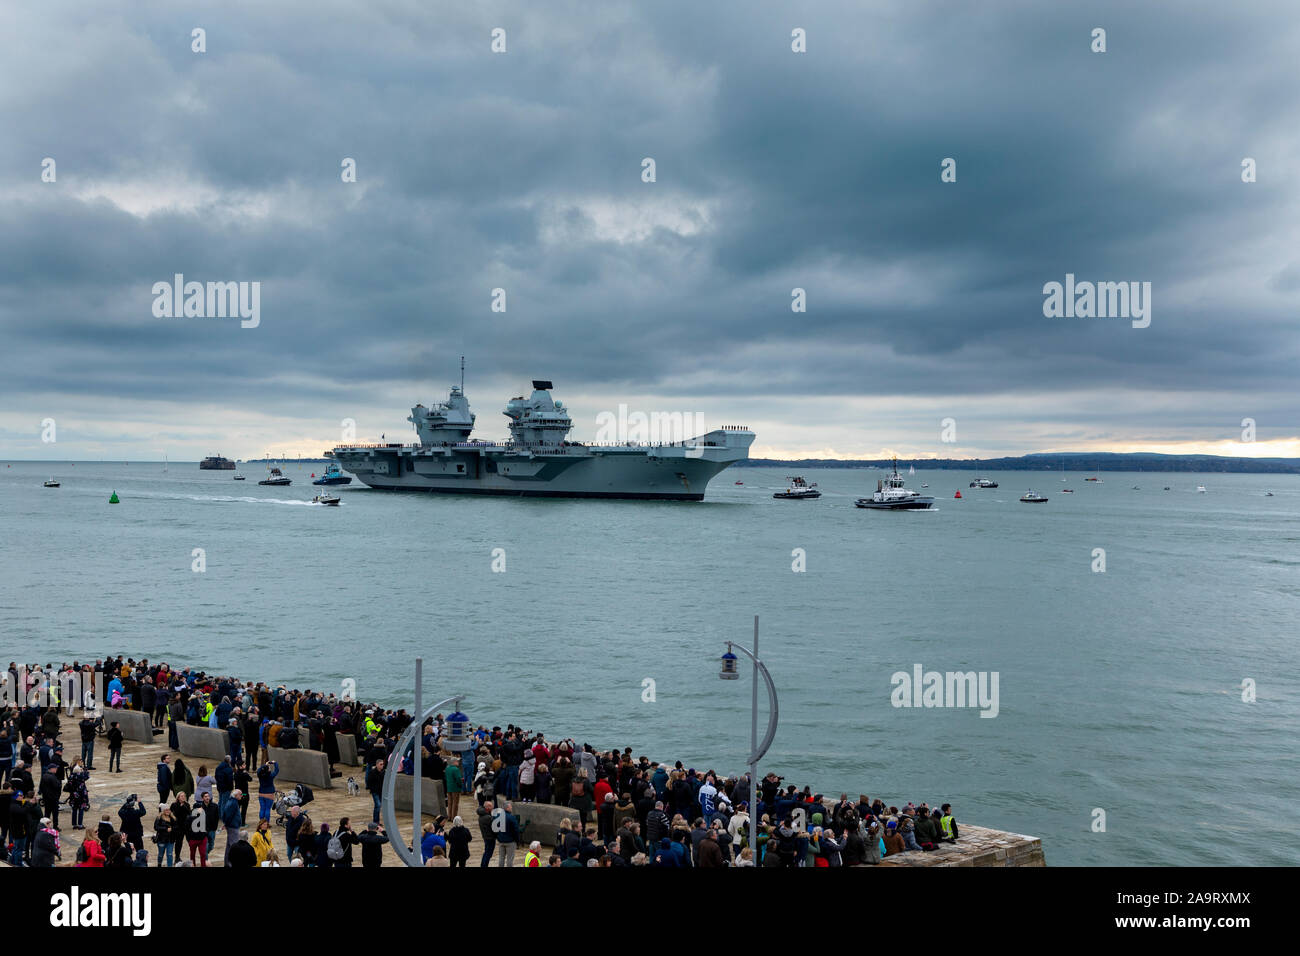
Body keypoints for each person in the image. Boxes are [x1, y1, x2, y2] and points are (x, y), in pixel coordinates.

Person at [476, 800, 496, 867]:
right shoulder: (488, 817)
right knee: (488, 854)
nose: (492, 807)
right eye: (491, 806)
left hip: (486, 837)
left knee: (486, 853)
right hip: (490, 837)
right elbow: (495, 828)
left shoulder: (483, 814)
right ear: (487, 807)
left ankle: (483, 865)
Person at [365, 757, 385, 824]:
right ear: (377, 765)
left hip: (381, 791)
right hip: (375, 791)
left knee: (378, 806)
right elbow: (369, 781)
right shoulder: (372, 772)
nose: (382, 766)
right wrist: (372, 789)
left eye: (382, 764)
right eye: (380, 764)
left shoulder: (384, 772)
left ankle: (377, 821)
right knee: (378, 805)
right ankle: (376, 821)